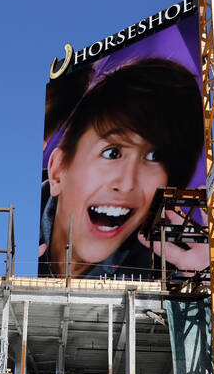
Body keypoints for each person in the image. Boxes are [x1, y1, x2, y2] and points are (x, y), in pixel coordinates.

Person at [39, 58, 203, 280]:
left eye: (154, 157)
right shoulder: (18, 230)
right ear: (58, 171)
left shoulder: (165, 270)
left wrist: (204, 285)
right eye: (112, 153)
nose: (127, 183)